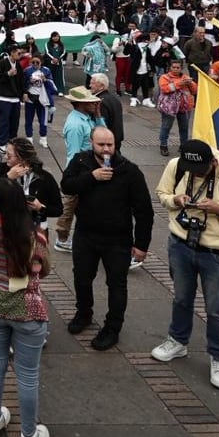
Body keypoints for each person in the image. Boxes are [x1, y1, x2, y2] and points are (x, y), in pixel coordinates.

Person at [151, 139, 219, 390]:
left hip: (216, 253)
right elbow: (161, 194)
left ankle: (218, 357)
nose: (194, 174)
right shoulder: (177, 167)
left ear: (213, 162)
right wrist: (175, 200)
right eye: (190, 170)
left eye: (199, 171)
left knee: (216, 308)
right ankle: (177, 341)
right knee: (181, 298)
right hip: (180, 244)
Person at [60, 127, 154, 350]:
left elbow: (144, 211)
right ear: (91, 142)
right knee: (82, 278)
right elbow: (67, 186)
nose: (106, 149)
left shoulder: (129, 171)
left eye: (110, 145)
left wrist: (141, 245)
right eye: (101, 145)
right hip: (86, 234)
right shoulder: (81, 161)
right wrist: (91, 178)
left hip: (117, 239)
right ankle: (84, 313)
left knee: (117, 285)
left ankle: (112, 328)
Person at [0, 174, 51, 437]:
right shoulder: (35, 237)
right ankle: (29, 433)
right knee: (27, 375)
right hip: (27, 309)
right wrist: (39, 216)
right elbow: (44, 271)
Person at [56, 86, 104, 253]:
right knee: (69, 206)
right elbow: (75, 154)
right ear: (79, 104)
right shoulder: (75, 125)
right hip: (80, 172)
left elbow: (102, 134)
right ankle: (62, 238)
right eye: (89, 101)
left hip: (90, 169)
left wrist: (98, 115)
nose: (94, 103)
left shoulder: (87, 117)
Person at [156, 59, 196, 156]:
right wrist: (179, 84)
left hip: (184, 107)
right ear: (170, 68)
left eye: (178, 67)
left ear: (181, 68)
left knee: (184, 128)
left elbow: (195, 91)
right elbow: (165, 89)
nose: (175, 69)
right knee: (166, 127)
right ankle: (163, 146)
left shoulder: (186, 78)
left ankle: (183, 146)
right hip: (169, 108)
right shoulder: (164, 77)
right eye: (173, 67)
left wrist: (190, 84)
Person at [22, 57, 56, 145]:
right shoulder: (27, 71)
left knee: (43, 120)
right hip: (30, 98)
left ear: (41, 62)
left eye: (37, 62)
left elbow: (53, 87)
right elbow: (22, 83)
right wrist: (29, 83)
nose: (35, 64)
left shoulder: (46, 71)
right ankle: (29, 137)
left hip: (43, 99)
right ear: (30, 62)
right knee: (29, 119)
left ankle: (43, 137)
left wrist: (45, 80)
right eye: (33, 62)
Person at [89, 73, 125, 154]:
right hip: (116, 137)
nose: (90, 85)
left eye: (93, 83)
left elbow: (102, 124)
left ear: (102, 86)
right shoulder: (114, 98)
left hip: (107, 141)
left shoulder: (100, 102)